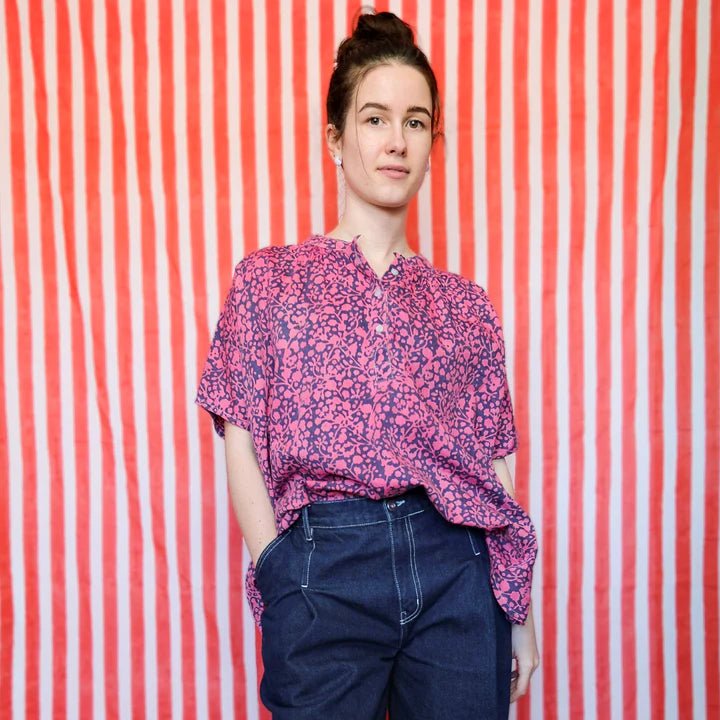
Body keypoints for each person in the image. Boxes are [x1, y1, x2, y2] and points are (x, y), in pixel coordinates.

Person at [195, 9, 539, 719]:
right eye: (375, 118)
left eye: (416, 123)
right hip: (323, 568)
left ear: (433, 145)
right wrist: (278, 569)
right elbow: (239, 437)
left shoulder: (465, 304)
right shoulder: (270, 280)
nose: (396, 141)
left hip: (457, 571)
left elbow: (492, 463)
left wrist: (516, 607)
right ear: (334, 138)